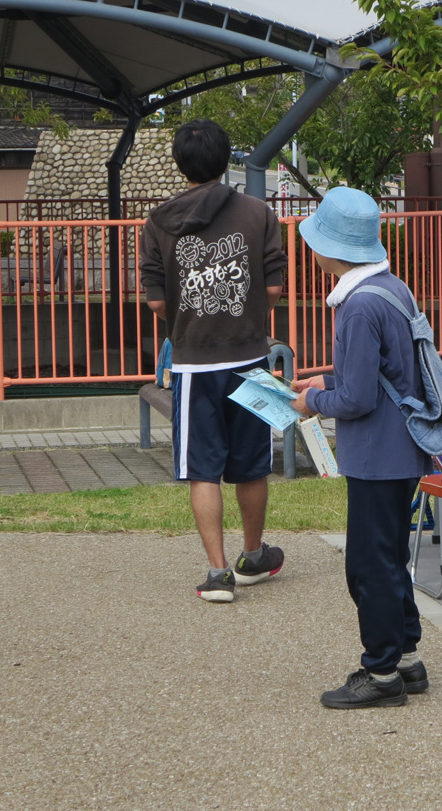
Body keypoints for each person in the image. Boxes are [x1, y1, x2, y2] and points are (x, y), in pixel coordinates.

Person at [290, 187, 433, 710]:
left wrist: (313, 400)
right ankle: (406, 658)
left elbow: (356, 397)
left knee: (368, 564)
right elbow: (389, 371)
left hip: (374, 451)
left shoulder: (355, 306)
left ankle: (380, 671)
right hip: (403, 446)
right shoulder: (392, 288)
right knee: (391, 555)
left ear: (332, 249)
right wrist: (324, 379)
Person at [139, 119, 286, 604]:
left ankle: (218, 573)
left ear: (181, 165)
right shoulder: (258, 213)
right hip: (251, 357)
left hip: (192, 362)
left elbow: (157, 301)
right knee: (251, 466)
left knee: (202, 468)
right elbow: (272, 288)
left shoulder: (157, 222)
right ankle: (253, 556)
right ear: (227, 161)